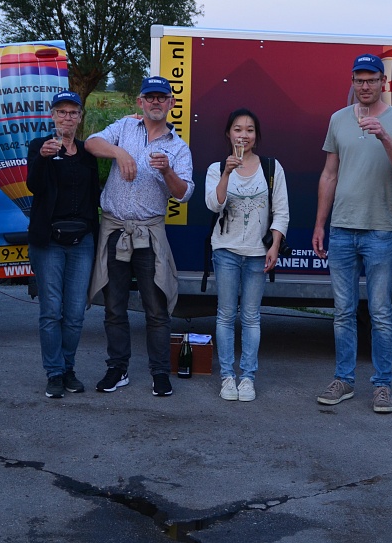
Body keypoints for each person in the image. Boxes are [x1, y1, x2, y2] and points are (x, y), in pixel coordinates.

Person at [312, 54, 392, 413]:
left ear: (383, 82)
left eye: (371, 79)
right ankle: (344, 380)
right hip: (341, 228)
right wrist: (320, 223)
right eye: (359, 80)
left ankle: (382, 385)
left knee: (381, 312)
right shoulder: (338, 119)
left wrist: (383, 136)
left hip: (380, 230)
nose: (365, 86)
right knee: (342, 311)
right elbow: (329, 174)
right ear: (353, 82)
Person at [86, 76, 194, 397]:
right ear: (140, 102)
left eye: (162, 97)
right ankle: (117, 368)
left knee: (156, 309)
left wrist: (167, 171)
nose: (156, 102)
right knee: (114, 306)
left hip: (149, 233)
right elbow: (91, 143)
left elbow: (184, 194)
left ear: (171, 103)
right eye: (150, 97)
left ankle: (160, 373)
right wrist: (120, 153)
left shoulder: (178, 147)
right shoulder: (124, 127)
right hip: (115, 229)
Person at [205, 109, 290, 402]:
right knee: (226, 315)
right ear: (229, 134)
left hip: (257, 253)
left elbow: (282, 211)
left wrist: (274, 246)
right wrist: (227, 173)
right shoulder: (217, 168)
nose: (244, 135)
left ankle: (248, 378)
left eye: (250, 130)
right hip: (226, 251)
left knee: (252, 317)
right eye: (238, 129)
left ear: (257, 135)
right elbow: (214, 205)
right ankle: (227, 376)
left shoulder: (271, 167)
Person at [26, 90, 101, 399]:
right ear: (52, 115)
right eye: (62, 112)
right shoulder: (39, 146)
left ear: (80, 117)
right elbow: (33, 186)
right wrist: (42, 159)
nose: (67, 117)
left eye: (73, 112)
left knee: (75, 313)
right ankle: (54, 373)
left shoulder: (87, 153)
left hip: (82, 240)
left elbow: (94, 195)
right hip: (49, 241)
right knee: (51, 311)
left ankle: (68, 368)